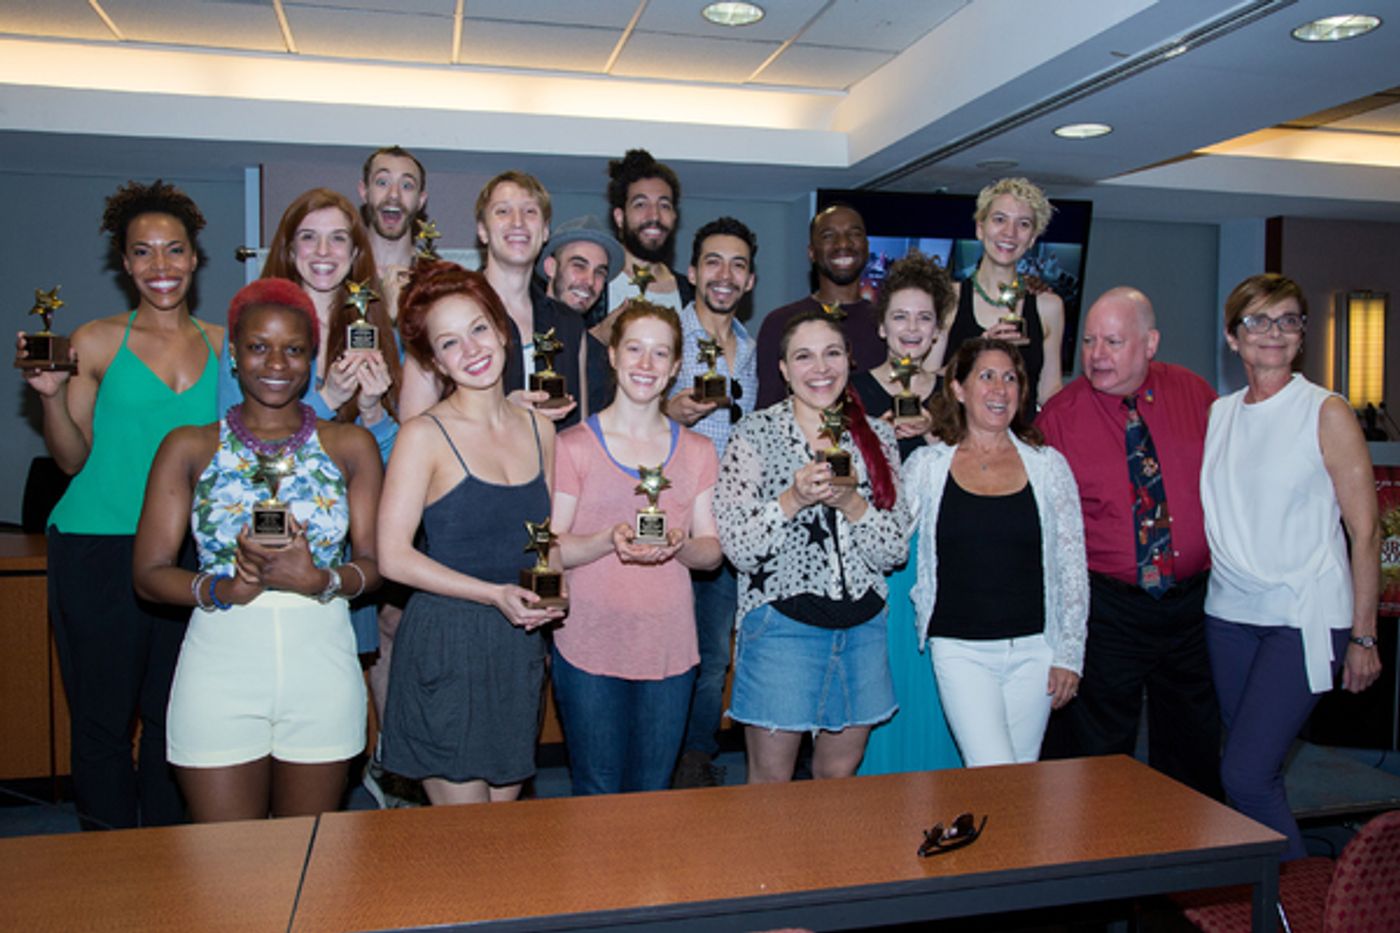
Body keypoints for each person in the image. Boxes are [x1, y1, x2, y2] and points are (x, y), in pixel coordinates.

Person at [132, 279, 383, 822]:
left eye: (293, 349)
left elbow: (376, 563)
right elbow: (149, 573)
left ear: (311, 358)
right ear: (234, 356)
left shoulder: (350, 445)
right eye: (258, 347)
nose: (276, 363)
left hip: (322, 667)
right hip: (219, 668)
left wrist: (321, 580)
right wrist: (224, 587)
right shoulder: (188, 445)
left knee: (309, 863)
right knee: (225, 867)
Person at [22, 179, 221, 830]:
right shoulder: (97, 340)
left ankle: (164, 855)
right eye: (144, 252)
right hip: (98, 544)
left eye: (174, 250)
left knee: (175, 713)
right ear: (125, 261)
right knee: (104, 717)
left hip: (184, 550)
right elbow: (71, 459)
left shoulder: (226, 344)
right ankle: (106, 858)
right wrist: (51, 395)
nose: (160, 266)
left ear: (195, 258)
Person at [1201, 274, 1382, 859]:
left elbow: (1366, 530)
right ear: (1233, 337)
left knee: (1246, 776)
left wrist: (1363, 635)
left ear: (1302, 334)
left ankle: (1293, 910)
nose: (1272, 333)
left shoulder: (1325, 411)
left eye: (1287, 320)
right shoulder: (1220, 414)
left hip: (1304, 617)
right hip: (1228, 615)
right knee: (1256, 770)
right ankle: (1266, 901)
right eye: (1258, 321)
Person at [377, 260, 564, 805]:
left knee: (501, 838)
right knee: (466, 841)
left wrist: (552, 588)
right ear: (435, 360)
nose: (473, 350)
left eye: (479, 328)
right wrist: (492, 594)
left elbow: (543, 539)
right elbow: (391, 558)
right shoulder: (423, 436)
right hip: (446, 642)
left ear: (501, 328)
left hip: (517, 646)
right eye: (451, 342)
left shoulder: (542, 428)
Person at [1036, 287, 1223, 798]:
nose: (1096, 355)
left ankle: (1189, 866)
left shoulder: (1198, 397)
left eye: (1113, 342)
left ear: (1150, 343)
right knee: (1098, 750)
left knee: (1194, 743)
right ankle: (1099, 861)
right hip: (1110, 609)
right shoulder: (1059, 418)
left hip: (1193, 606)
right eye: (1091, 340)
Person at [714, 310, 909, 783]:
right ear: (783, 369)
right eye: (804, 356)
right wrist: (792, 499)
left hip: (863, 630)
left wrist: (854, 505)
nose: (820, 368)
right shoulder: (754, 434)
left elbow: (894, 550)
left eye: (832, 353)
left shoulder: (878, 436)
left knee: (838, 781)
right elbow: (738, 548)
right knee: (770, 786)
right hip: (782, 630)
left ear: (849, 361)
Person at [551, 301, 722, 795]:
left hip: (669, 647)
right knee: (597, 787)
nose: (645, 365)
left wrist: (680, 547)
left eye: (659, 353)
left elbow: (711, 551)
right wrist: (607, 541)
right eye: (635, 349)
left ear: (674, 367)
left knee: (653, 792)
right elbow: (553, 548)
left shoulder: (697, 451)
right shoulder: (574, 445)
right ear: (613, 356)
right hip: (588, 646)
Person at [903, 338, 1086, 766]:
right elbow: (888, 539)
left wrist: (1069, 655)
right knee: (994, 770)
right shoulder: (927, 468)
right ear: (959, 389)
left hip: (1037, 651)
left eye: (1010, 378)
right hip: (960, 648)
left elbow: (1072, 566)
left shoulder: (1049, 467)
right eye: (986, 376)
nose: (999, 389)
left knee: (1018, 780)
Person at [851, 252, 962, 775]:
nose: (911, 329)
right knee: (883, 674)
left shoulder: (955, 395)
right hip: (877, 561)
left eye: (923, 318)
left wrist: (942, 438)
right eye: (900, 316)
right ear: (881, 324)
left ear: (938, 326)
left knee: (939, 679)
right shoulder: (853, 391)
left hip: (945, 558)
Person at [663, 217, 760, 787]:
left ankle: (693, 758)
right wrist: (664, 413)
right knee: (659, 648)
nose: (725, 276)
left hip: (727, 530)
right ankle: (656, 753)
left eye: (738, 265)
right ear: (694, 271)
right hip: (664, 522)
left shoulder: (753, 349)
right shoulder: (661, 333)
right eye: (714, 262)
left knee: (713, 658)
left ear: (749, 280)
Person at [398, 171, 589, 428]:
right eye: (503, 211)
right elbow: (413, 428)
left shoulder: (570, 324)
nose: (518, 222)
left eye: (530, 211)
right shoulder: (441, 311)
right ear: (482, 231)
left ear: (544, 232)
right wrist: (503, 412)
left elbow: (581, 433)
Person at [940, 178, 1065, 410]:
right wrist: (980, 348)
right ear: (980, 228)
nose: (1010, 232)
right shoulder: (948, 298)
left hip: (1020, 440)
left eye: (1024, 224)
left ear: (1032, 239)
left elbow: (1049, 393)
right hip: (958, 438)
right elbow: (929, 381)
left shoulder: (1049, 306)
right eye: (999, 220)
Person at [755, 203, 884, 407]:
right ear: (812, 253)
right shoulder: (779, 323)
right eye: (828, 236)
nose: (843, 243)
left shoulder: (886, 323)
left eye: (854, 234)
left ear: (867, 248)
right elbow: (767, 408)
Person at [602, 149, 694, 318]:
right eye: (641, 204)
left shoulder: (692, 294)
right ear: (620, 217)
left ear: (674, 216)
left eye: (664, 205)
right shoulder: (595, 286)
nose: (654, 216)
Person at [358, 145, 428, 313]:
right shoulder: (341, 273)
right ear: (364, 191)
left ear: (421, 200)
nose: (394, 194)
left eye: (407, 186)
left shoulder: (437, 280)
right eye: (382, 182)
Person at [537, 214, 624, 326]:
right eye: (579, 266)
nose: (590, 281)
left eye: (599, 272)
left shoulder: (585, 341)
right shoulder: (517, 330)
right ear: (551, 267)